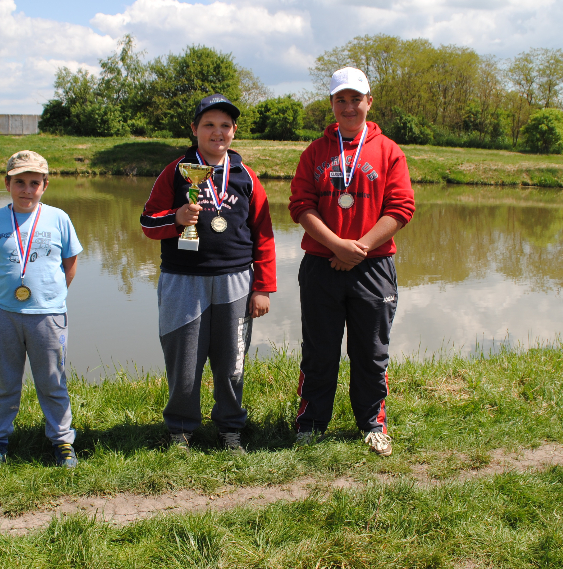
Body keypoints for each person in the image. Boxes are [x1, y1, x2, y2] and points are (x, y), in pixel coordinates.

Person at [288, 67, 415, 456]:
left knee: (371, 352)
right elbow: (301, 205)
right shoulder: (314, 152)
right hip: (322, 264)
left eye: (355, 99)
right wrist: (336, 246)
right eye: (340, 100)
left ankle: (373, 424)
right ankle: (311, 423)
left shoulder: (389, 151)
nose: (348, 107)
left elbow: (401, 208)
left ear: (369, 102)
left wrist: (358, 248)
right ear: (331, 104)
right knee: (319, 350)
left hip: (373, 266)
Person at [141, 94, 277, 453]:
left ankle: (230, 427)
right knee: (184, 362)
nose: (218, 132)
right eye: (209, 125)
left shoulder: (246, 176)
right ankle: (181, 430)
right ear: (194, 129)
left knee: (232, 361)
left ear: (234, 131)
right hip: (183, 281)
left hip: (236, 282)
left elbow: (263, 233)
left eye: (225, 126)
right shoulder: (175, 171)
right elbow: (147, 222)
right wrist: (175, 219)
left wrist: (263, 287)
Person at [0, 150, 83, 468]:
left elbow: (71, 262)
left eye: (34, 183)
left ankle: (62, 442)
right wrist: (7, 294)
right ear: (7, 184)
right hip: (4, 313)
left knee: (52, 381)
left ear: (45, 185)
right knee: (4, 381)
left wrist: (52, 295)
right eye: (19, 182)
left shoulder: (59, 218)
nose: (27, 190)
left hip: (48, 314)